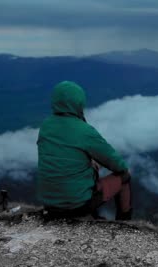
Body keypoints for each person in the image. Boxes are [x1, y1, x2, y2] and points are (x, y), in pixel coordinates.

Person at [37, 81, 132, 220]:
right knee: (125, 177)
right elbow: (117, 164)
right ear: (79, 103)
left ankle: (94, 216)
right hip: (77, 205)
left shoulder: (45, 126)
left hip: (49, 204)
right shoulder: (84, 131)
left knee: (86, 171)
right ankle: (125, 222)